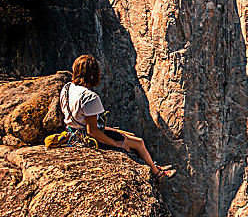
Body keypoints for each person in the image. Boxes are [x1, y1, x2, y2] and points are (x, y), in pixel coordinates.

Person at [60, 54, 175, 183]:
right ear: (92, 75)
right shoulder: (89, 97)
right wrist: (117, 144)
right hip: (87, 137)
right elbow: (92, 131)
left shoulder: (67, 88)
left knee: (126, 134)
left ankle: (152, 165)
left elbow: (83, 120)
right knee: (139, 143)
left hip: (73, 130)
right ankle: (158, 174)